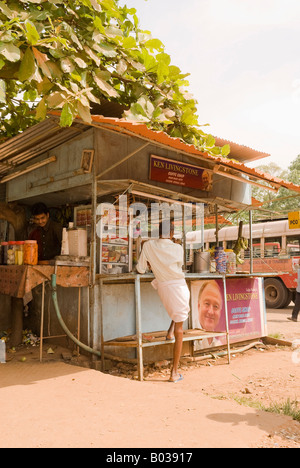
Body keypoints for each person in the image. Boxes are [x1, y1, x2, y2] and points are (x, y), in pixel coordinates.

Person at [136, 219, 190, 383]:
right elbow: (179, 266)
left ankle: (169, 332)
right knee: (181, 325)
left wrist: (154, 265)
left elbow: (140, 269)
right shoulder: (178, 248)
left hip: (164, 288)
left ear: (158, 232)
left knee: (177, 314)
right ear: (172, 233)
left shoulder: (148, 245)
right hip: (179, 288)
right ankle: (173, 373)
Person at [196, 280, 223, 349]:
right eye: (207, 304)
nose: (210, 312)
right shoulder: (190, 343)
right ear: (198, 306)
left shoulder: (219, 344)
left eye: (216, 306)